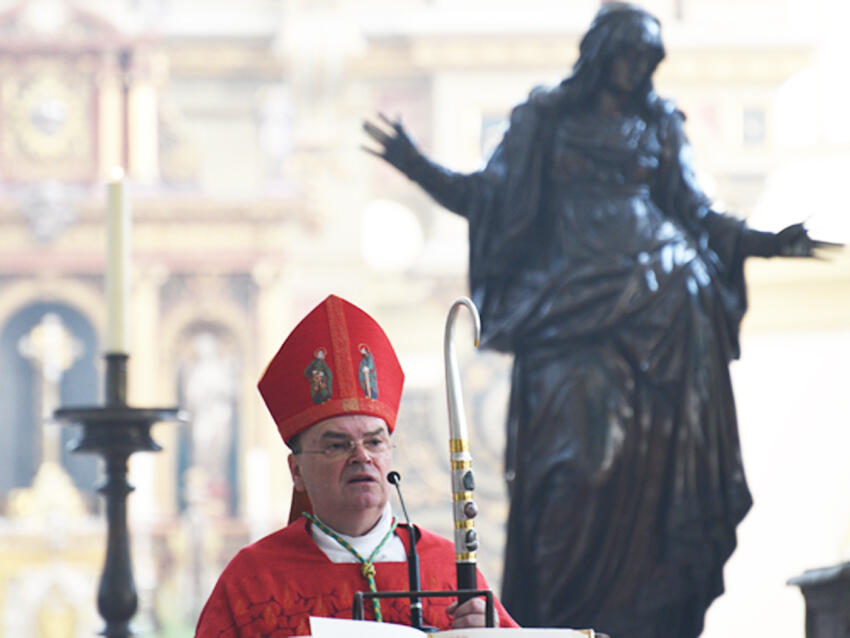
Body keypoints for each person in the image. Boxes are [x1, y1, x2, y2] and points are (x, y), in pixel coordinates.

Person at [363, 4, 838, 637]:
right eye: (628, 54)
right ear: (601, 52)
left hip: (669, 316)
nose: (638, 68)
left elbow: (701, 215)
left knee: (662, 486)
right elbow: (489, 197)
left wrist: (768, 242)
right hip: (572, 318)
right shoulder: (546, 119)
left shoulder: (660, 125)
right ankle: (562, 623)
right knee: (576, 469)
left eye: (649, 58)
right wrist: (418, 167)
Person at [195, 294, 519, 637]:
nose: (361, 456)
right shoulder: (253, 580)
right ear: (297, 472)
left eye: (375, 442)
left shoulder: (446, 568)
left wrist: (490, 635)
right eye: (337, 445)